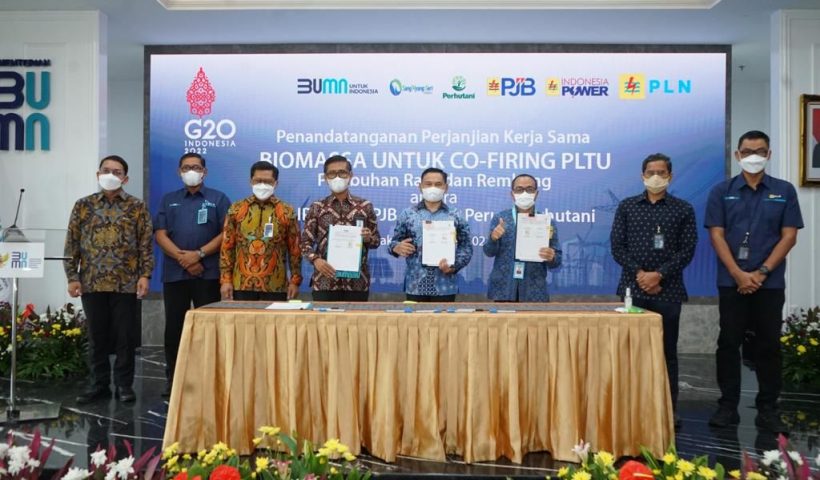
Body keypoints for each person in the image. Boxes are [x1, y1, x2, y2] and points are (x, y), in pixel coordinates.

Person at [705, 130, 803, 432]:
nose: (753, 157)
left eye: (760, 151)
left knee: (769, 345)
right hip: (731, 281)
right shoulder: (721, 191)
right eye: (747, 151)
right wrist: (737, 273)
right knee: (728, 343)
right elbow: (716, 235)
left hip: (768, 284)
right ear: (738, 155)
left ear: (769, 154)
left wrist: (761, 272)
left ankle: (769, 409)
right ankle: (727, 406)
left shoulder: (784, 191)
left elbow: (789, 236)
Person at [610, 153, 697, 426]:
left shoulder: (683, 209)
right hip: (632, 290)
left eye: (661, 172)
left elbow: (687, 250)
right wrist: (640, 274)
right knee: (630, 352)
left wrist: (659, 275)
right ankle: (630, 408)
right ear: (642, 176)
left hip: (668, 291)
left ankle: (668, 409)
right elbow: (617, 247)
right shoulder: (627, 206)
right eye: (650, 172)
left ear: (670, 176)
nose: (656, 177)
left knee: (666, 352)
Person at [64, 155, 153, 404]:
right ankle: (98, 385)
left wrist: (145, 275)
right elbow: (72, 244)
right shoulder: (83, 205)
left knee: (125, 337)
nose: (111, 175)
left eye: (117, 171)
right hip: (91, 281)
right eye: (106, 170)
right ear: (98, 174)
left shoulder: (137, 207)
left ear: (126, 178)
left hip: (126, 282)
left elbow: (145, 245)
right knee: (97, 336)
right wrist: (72, 277)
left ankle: (124, 385)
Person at [154, 152, 230, 396]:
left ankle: (209, 380)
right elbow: (160, 234)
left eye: (196, 167)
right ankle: (174, 380)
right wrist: (184, 259)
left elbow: (227, 234)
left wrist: (198, 255)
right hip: (175, 274)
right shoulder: (169, 200)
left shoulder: (218, 199)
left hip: (207, 274)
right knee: (174, 329)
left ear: (204, 172)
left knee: (208, 330)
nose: (191, 171)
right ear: (179, 171)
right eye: (186, 167)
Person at [300, 155, 380, 301]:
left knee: (356, 317)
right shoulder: (317, 207)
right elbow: (304, 243)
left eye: (342, 172)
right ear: (325, 178)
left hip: (357, 284)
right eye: (332, 173)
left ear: (350, 175)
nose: (337, 177)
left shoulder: (365, 206)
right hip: (325, 282)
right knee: (324, 317)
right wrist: (315, 260)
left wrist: (369, 238)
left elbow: (376, 241)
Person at [220, 161, 302, 301]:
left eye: (268, 181)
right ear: (250, 181)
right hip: (241, 284)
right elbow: (227, 247)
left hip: (276, 285)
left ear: (276, 183)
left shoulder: (287, 211)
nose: (262, 185)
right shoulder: (236, 209)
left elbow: (295, 250)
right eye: (258, 181)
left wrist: (295, 281)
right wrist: (226, 280)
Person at [389, 167, 472, 302]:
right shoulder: (408, 214)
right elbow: (393, 242)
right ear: (420, 186)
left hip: (445, 285)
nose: (433, 188)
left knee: (443, 317)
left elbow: (466, 246)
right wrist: (396, 247)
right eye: (428, 184)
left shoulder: (455, 215)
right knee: (414, 317)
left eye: (438, 184)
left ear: (446, 187)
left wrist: (454, 266)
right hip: (415, 285)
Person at [483, 173, 562, 301]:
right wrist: (493, 239)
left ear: (536, 193)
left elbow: (557, 261)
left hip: (534, 291)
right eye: (519, 189)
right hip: (503, 290)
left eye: (529, 189)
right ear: (512, 194)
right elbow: (488, 252)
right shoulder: (500, 219)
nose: (524, 193)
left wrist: (552, 257)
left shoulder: (546, 222)